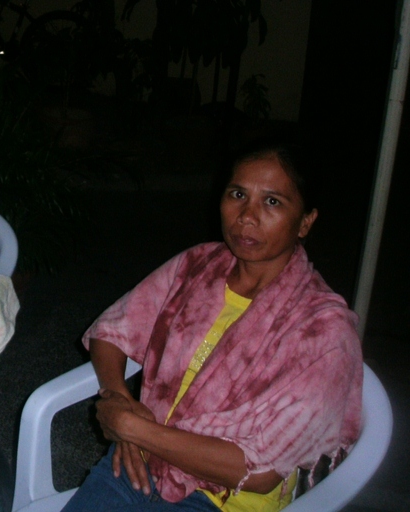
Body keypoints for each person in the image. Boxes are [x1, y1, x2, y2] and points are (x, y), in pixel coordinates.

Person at [64, 139, 362, 511]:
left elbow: (260, 472)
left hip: (224, 499)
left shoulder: (322, 330)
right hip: (140, 460)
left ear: (305, 221)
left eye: (272, 201)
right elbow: (111, 331)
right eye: (238, 194)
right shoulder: (199, 266)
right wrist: (118, 399)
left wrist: (132, 427)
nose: (247, 215)